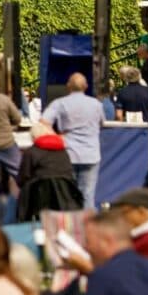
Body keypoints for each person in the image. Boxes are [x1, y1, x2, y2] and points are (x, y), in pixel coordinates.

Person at [44, 72, 104, 208]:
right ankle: (87, 227)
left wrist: (56, 136)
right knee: (87, 196)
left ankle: (69, 225)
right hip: (91, 154)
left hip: (67, 154)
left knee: (67, 195)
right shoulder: (96, 104)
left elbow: (44, 123)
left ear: (68, 86)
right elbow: (101, 124)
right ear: (86, 86)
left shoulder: (59, 103)